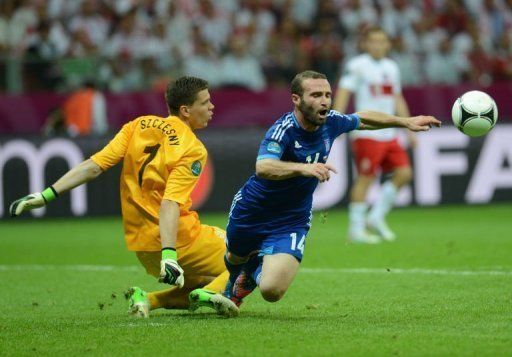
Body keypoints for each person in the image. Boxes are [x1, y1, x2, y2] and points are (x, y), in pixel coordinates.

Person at [10, 76, 238, 318]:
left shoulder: (138, 125)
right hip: (178, 241)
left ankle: (147, 299)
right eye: (205, 102)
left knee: (202, 278)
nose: (211, 107)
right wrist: (169, 255)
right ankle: (212, 293)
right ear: (185, 110)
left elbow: (94, 165)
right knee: (250, 255)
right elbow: (170, 202)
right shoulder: (193, 148)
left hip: (143, 248)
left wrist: (46, 195)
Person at [218, 70, 440, 314]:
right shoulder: (283, 129)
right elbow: (263, 166)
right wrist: (305, 168)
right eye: (315, 95)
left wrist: (405, 122)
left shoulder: (331, 122)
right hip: (253, 208)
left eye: (327, 95)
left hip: (292, 217)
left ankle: (247, 279)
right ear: (296, 99)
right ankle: (244, 274)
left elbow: (361, 119)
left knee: (272, 291)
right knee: (235, 257)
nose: (324, 101)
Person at [333, 27, 415, 244]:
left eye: (382, 41)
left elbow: (397, 98)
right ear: (366, 44)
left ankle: (376, 217)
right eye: (373, 41)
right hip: (367, 131)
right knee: (366, 178)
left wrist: (408, 126)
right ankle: (356, 229)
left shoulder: (391, 67)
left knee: (404, 173)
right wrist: (336, 122)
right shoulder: (358, 65)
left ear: (388, 44)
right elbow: (343, 91)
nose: (378, 45)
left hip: (390, 132)